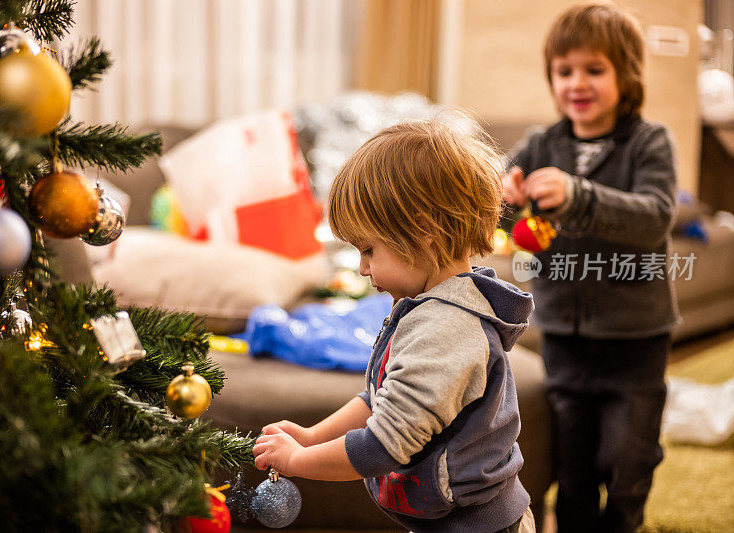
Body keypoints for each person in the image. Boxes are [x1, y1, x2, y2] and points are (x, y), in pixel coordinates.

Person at [253, 117, 537, 533]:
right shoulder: (428, 309)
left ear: (423, 229)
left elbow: (385, 443)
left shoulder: (447, 328)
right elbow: (378, 398)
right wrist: (312, 437)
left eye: (368, 249)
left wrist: (299, 461)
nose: (363, 268)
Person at [502, 2, 679, 532]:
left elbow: (654, 217)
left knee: (625, 460)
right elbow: (503, 220)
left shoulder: (649, 142)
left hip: (635, 339)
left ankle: (626, 518)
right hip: (563, 338)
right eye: (565, 71)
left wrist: (578, 194)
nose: (577, 83)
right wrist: (507, 199)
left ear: (626, 76)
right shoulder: (540, 144)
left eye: (594, 70)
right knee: (571, 464)